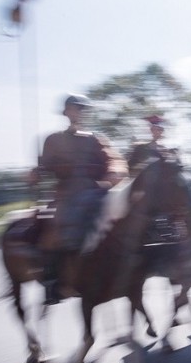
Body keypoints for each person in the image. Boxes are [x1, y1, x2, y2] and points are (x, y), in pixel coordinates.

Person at [31, 94, 128, 303]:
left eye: (83, 109)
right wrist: (36, 173)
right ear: (66, 112)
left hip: (96, 193)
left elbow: (113, 160)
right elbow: (44, 167)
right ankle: (52, 282)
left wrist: (114, 173)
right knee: (52, 227)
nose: (79, 113)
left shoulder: (96, 138)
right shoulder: (53, 139)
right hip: (65, 195)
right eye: (75, 109)